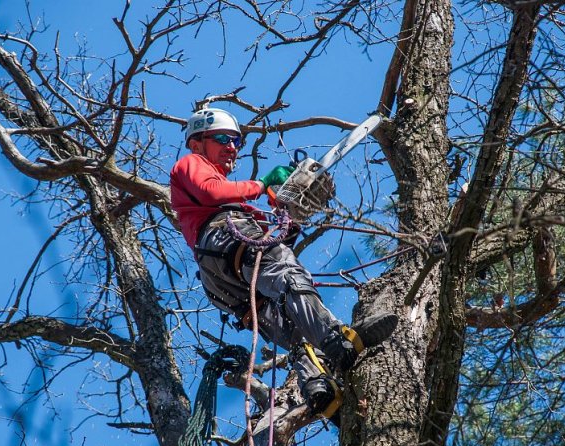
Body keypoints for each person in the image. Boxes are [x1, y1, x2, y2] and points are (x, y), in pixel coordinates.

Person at [169, 107, 397, 419]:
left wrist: (291, 215)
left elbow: (270, 239)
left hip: (222, 278)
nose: (232, 147)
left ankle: (320, 389)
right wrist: (263, 184)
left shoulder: (234, 205)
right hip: (224, 240)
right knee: (286, 270)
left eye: (237, 141)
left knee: (290, 323)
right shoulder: (190, 165)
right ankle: (335, 339)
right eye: (223, 138)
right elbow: (213, 192)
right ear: (197, 143)